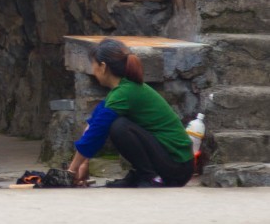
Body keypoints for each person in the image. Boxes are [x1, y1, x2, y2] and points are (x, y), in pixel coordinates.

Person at [67, 39, 195, 187]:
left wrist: (71, 171)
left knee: (119, 127)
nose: (93, 71)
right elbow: (94, 123)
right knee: (114, 123)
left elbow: (96, 132)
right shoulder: (121, 91)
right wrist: (83, 163)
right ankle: (143, 174)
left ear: (103, 67)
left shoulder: (125, 92)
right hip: (172, 163)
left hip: (178, 166)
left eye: (94, 66)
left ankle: (151, 177)